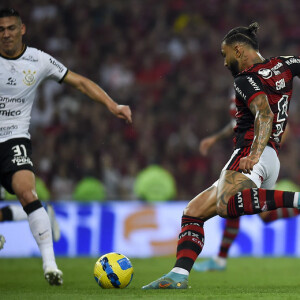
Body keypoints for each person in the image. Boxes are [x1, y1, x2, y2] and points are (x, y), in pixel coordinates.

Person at [142, 22, 300, 289]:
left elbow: (265, 114)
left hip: (251, 153)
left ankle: (297, 200)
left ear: (238, 50)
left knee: (228, 204)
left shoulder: (245, 80)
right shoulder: (286, 63)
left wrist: (254, 152)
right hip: (269, 156)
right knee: (192, 212)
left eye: (225, 54)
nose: (225, 62)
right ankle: (179, 276)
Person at [0, 8, 132, 286]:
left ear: (22, 29)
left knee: (26, 191)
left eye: (11, 28)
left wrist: (113, 104)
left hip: (14, 138)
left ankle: (50, 265)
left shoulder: (38, 60)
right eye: (1, 29)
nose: (6, 34)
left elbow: (80, 82)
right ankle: (42, 216)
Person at [194, 98, 299, 272]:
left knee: (233, 202)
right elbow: (235, 124)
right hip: (249, 158)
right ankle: (220, 259)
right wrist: (214, 138)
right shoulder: (240, 89)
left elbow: (282, 127)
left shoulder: (255, 88)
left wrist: (269, 149)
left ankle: (220, 259)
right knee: (258, 214)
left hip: (258, 161)